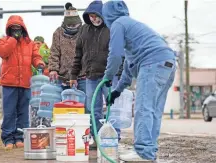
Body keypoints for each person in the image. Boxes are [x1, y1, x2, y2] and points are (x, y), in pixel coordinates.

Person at [102, 1, 176, 162]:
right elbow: (129, 68)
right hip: (168, 64)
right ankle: (149, 150)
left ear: (107, 15)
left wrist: (107, 77)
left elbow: (115, 56)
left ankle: (143, 152)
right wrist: (117, 91)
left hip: (153, 63)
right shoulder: (132, 30)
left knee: (143, 108)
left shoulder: (118, 24)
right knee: (153, 110)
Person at [69, 0, 121, 149]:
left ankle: (113, 138)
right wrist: (73, 75)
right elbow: (78, 54)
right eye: (90, 16)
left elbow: (119, 52)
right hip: (91, 76)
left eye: (96, 15)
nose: (94, 19)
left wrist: (119, 72)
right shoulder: (84, 30)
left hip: (109, 76)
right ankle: (98, 138)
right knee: (93, 109)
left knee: (113, 108)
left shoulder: (111, 28)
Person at [0, 15, 45, 150]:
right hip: (9, 83)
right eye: (13, 28)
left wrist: (39, 63)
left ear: (23, 28)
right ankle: (8, 139)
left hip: (25, 83)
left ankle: (20, 137)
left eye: (18, 28)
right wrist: (12, 40)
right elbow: (3, 53)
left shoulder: (30, 43)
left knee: (23, 112)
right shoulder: (3, 41)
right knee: (9, 112)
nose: (16, 30)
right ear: (9, 29)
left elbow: (36, 56)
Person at [48, 2, 86, 92]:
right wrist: (53, 69)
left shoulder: (85, 32)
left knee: (84, 103)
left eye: (74, 25)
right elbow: (54, 53)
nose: (72, 27)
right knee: (63, 105)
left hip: (82, 77)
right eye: (69, 25)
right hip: (63, 78)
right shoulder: (58, 33)